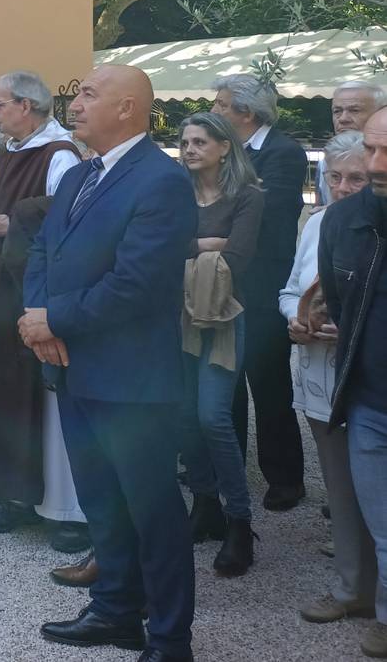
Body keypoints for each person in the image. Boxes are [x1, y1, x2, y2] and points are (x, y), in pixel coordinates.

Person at [20, 65, 197, 661]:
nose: (75, 103)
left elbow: (138, 284)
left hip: (131, 379)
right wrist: (38, 318)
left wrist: (54, 319)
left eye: (90, 94)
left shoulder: (161, 181)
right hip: (73, 366)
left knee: (152, 510)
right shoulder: (80, 175)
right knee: (102, 500)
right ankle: (116, 611)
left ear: (128, 109)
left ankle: (171, 638)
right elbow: (44, 247)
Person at [0, 71, 84, 545]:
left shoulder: (60, 155)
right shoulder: (4, 156)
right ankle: (12, 494)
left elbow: (68, 217)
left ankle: (65, 508)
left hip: (32, 293)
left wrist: (7, 223)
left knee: (43, 394)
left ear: (26, 106)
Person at [282, 131, 379, 627]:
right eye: (333, 177)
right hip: (321, 374)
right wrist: (295, 320)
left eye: (355, 178)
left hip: (371, 379)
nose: (342, 187)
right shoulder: (317, 224)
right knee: (339, 490)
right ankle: (350, 587)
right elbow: (290, 291)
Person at [212, 72, 308, 511]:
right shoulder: (225, 152)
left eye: (220, 104)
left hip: (265, 285)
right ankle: (228, 467)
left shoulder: (283, 153)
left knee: (269, 386)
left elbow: (269, 216)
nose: (213, 111)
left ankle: (286, 479)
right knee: (224, 382)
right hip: (223, 282)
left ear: (245, 113)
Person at [175, 112, 263, 576]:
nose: (189, 149)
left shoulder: (247, 196)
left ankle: (239, 520)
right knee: (185, 417)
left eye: (199, 141)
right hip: (178, 317)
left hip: (227, 317)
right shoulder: (176, 193)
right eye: (185, 141)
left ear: (224, 146)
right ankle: (205, 504)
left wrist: (189, 247)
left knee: (213, 415)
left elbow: (240, 257)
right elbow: (160, 247)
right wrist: (205, 245)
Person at [317, 106, 387, 660]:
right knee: (383, 528)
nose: (377, 163)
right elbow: (341, 307)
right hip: (369, 402)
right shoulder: (341, 222)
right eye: (370, 149)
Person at [318, 82, 384, 204]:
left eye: (354, 110)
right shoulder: (327, 159)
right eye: (337, 111)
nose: (343, 119)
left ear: (380, 114)